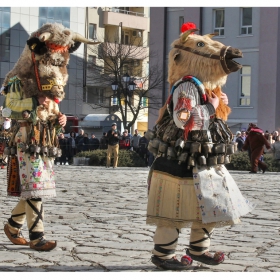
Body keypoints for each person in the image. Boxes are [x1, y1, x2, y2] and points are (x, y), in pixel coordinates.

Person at [146, 22, 254, 270]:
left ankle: (199, 248)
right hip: (180, 159)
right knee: (173, 208)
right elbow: (183, 119)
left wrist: (218, 105)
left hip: (203, 159)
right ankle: (163, 254)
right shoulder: (187, 85)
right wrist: (211, 108)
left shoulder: (203, 87)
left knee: (211, 204)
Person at [2, 90, 67, 251]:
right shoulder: (18, 80)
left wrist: (60, 120)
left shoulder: (50, 89)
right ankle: (37, 237)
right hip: (26, 143)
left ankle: (13, 226)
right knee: (35, 190)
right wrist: (34, 100)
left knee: (35, 189)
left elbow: (52, 119)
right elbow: (7, 108)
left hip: (43, 145)